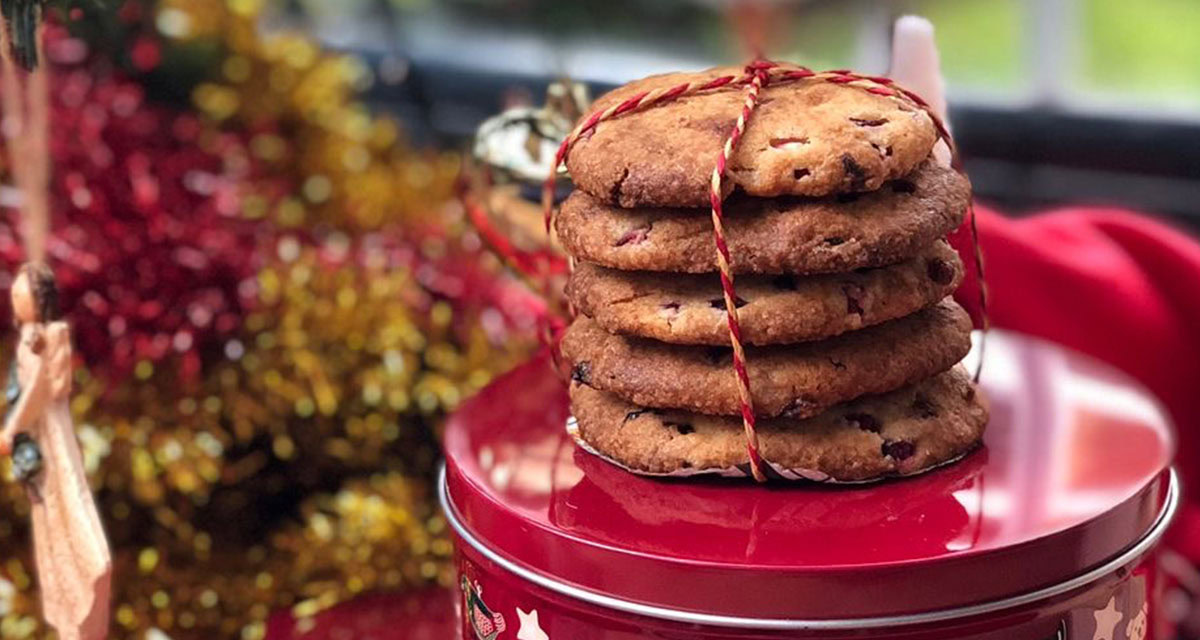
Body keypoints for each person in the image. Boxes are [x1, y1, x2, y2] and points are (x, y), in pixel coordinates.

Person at [0, 262, 110, 640]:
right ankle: (68, 620)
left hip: (55, 443)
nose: (15, 300)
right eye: (13, 295)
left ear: (41, 297)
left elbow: (45, 387)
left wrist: (10, 430)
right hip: (37, 449)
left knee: (78, 529)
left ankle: (87, 601)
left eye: (21, 294)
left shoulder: (56, 333)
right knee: (49, 530)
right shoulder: (26, 337)